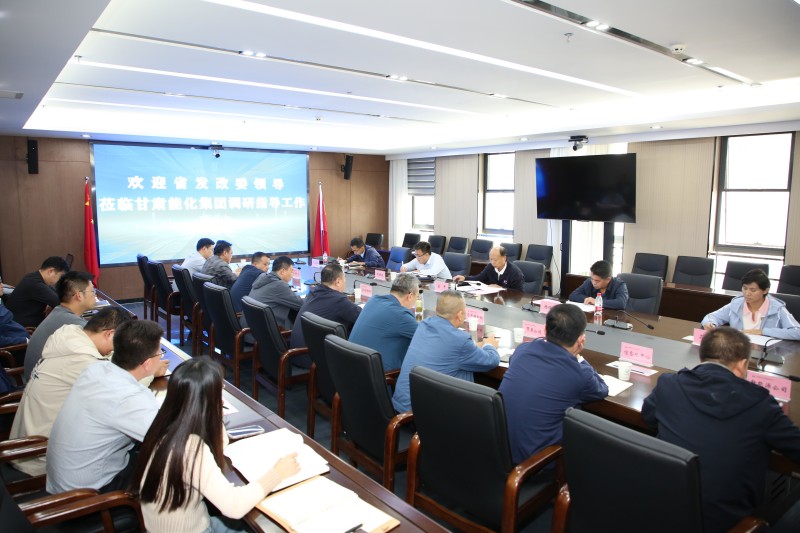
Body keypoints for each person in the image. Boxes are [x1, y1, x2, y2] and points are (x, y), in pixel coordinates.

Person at [642, 327, 800, 533]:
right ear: (743, 364)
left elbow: (648, 417)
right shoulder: (761, 404)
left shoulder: (669, 383)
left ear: (701, 356)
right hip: (722, 522)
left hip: (660, 507)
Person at [133, 357, 300, 533]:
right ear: (205, 402)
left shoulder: (165, 422)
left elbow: (221, 443)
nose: (223, 396)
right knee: (273, 527)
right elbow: (234, 507)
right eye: (219, 391)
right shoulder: (191, 449)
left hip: (179, 523)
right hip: (193, 529)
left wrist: (213, 412)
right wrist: (278, 473)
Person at [46, 320, 165, 494]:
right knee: (172, 465)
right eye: (160, 352)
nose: (161, 356)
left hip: (63, 480)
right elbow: (169, 438)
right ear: (147, 363)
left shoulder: (95, 369)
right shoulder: (129, 398)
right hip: (88, 494)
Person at [10, 307, 132, 476]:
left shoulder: (68, 338)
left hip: (25, 441)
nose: (116, 350)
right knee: (125, 440)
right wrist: (149, 371)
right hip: (42, 456)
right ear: (110, 334)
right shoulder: (84, 361)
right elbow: (123, 388)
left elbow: (104, 364)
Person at [498, 304, 609, 464]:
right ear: (581, 340)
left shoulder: (522, 351)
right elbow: (602, 389)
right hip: (537, 464)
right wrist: (578, 358)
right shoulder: (579, 373)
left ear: (545, 330)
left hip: (501, 452)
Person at [392, 290, 500, 413]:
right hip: (423, 415)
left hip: (400, 407)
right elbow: (492, 360)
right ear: (460, 315)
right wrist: (489, 345)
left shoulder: (424, 325)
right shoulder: (460, 341)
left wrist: (473, 346)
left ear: (436, 309)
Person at [24, 271, 97, 381]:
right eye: (92, 291)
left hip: (38, 381)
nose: (95, 295)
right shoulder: (74, 324)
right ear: (79, 295)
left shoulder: (59, 312)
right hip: (47, 386)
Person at [289, 264, 361, 367]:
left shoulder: (313, 292)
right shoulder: (338, 300)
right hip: (312, 361)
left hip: (296, 354)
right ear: (338, 281)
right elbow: (362, 317)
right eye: (344, 278)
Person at [702, 268, 800, 340]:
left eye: (753, 290)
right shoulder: (737, 304)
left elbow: (797, 332)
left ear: (765, 290)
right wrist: (710, 323)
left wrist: (762, 332)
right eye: (745, 288)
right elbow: (711, 317)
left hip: (766, 353)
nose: (747, 293)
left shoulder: (777, 308)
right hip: (737, 350)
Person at [349, 274, 419, 371]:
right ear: (410, 296)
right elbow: (425, 337)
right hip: (376, 375)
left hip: (351, 367)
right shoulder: (401, 315)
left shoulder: (373, 300)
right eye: (417, 296)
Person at [5, 256, 70, 327]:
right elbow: (59, 302)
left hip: (22, 322)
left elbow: (56, 295)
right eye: (60, 277)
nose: (59, 281)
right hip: (23, 328)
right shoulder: (34, 283)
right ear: (51, 271)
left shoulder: (34, 277)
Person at [243, 255, 303, 330]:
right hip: (263, 332)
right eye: (291, 271)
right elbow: (301, 305)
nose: (292, 275)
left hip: (250, 329)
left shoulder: (263, 277)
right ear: (283, 271)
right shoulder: (278, 285)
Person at [452, 246, 524, 291]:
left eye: (495, 260)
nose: (492, 262)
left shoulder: (515, 273)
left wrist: (501, 288)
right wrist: (464, 278)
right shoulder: (490, 267)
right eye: (491, 259)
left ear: (504, 258)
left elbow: (518, 292)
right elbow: (479, 278)